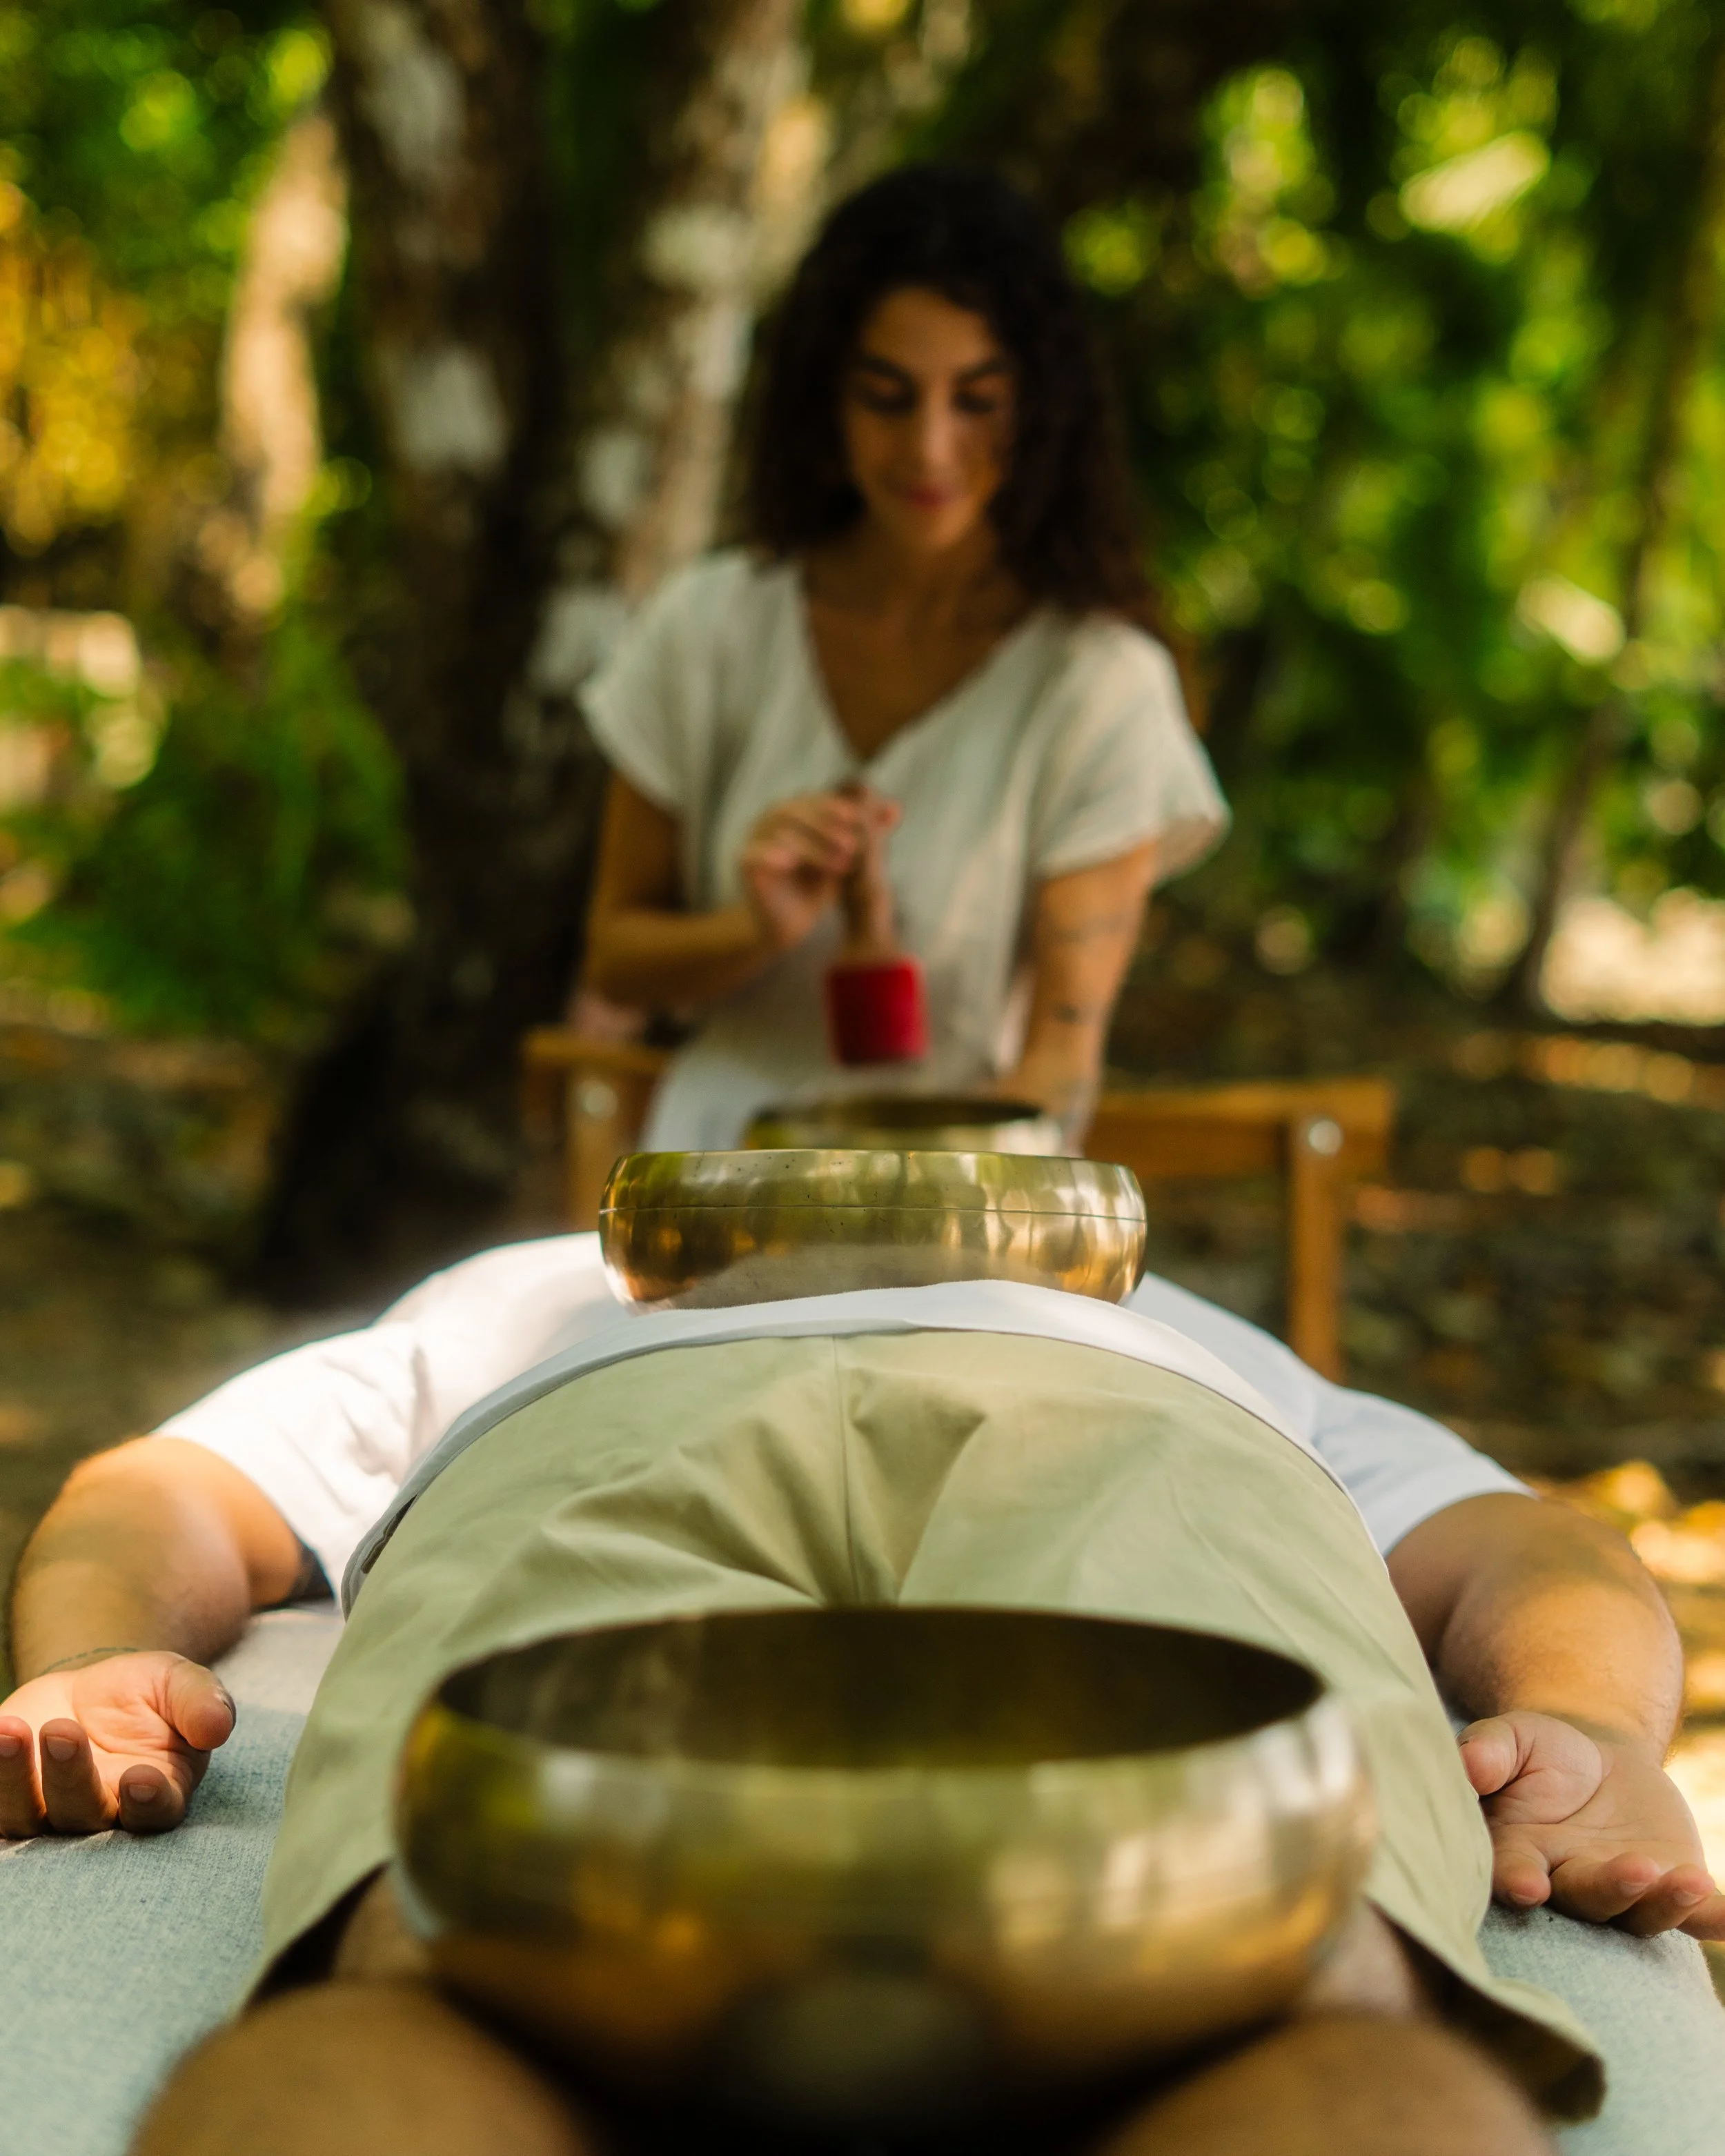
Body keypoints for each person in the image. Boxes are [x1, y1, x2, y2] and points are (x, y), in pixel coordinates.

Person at [4, 1234, 1724, 2156]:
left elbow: (1523, 1545)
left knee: (1295, 1956)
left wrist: (1583, 1735)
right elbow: (165, 1485)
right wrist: (91, 1659)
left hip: (1127, 1420)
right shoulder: (524, 1291)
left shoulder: (1165, 1312)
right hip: (594, 1429)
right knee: (456, 1934)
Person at [579, 164, 1226, 1149]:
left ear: (1044, 410)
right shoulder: (709, 628)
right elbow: (616, 959)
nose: (929, 449)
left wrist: (921, 1202)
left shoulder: (1097, 688)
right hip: (722, 1182)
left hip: (977, 1208)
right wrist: (756, 929)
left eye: (977, 401)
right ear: (824, 401)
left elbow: (1059, 1063)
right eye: (888, 397)